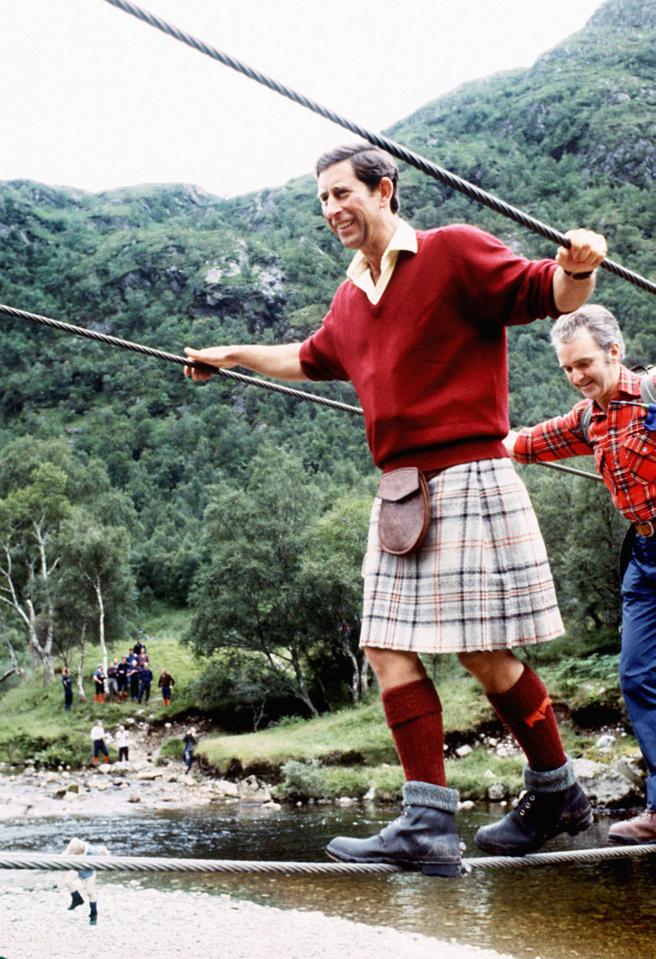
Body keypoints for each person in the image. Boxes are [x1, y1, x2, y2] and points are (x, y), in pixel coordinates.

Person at [183, 142, 606, 875]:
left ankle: (557, 792)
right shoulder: (351, 296)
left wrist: (580, 264)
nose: (332, 209)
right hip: (402, 491)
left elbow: (550, 294)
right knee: (382, 643)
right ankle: (428, 822)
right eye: (322, 198)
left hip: (469, 474)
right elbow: (311, 355)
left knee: (482, 651)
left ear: (385, 190)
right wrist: (233, 354)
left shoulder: (452, 253)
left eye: (342, 192)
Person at [505, 303, 656, 845]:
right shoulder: (588, 419)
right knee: (637, 677)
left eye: (585, 364)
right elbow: (523, 444)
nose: (577, 377)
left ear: (616, 353)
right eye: (567, 368)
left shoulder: (653, 395)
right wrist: (464, 438)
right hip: (644, 558)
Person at [63, 836, 110, 925]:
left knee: (90, 893)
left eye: (75, 853)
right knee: (67, 881)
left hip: (89, 872)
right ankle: (77, 899)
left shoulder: (91, 850)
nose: (74, 854)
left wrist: (108, 858)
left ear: (81, 850)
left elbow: (103, 848)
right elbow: (67, 852)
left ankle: (93, 915)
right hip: (78, 868)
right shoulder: (74, 843)